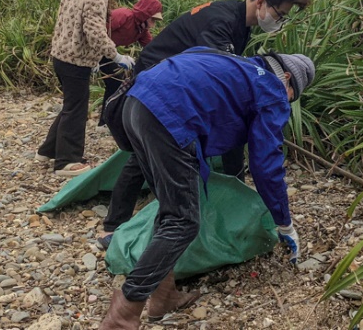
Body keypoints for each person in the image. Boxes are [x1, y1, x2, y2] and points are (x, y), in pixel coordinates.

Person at [99, 48, 315, 329]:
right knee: (184, 221)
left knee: (170, 209)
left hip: (136, 103)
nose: (288, 102)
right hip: (168, 115)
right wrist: (284, 222)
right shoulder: (271, 88)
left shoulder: (237, 66)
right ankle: (123, 314)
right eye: (292, 95)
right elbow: (266, 165)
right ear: (286, 78)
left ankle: (163, 296)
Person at [98, 0, 310, 248]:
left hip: (169, 87)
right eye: (280, 15)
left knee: (155, 155)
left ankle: (195, 209)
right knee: (144, 155)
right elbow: (215, 76)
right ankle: (117, 226)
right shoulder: (221, 22)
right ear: (261, 3)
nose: (279, 22)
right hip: (158, 82)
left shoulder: (238, 21)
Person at [38, 0, 134, 177]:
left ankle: (47, 150)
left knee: (71, 105)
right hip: (75, 62)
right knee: (76, 109)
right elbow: (95, 33)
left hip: (60, 57)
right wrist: (117, 56)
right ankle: (66, 162)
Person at [96, 0, 163, 125]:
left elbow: (152, 48)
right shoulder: (124, 15)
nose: (154, 24)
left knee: (115, 84)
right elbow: (99, 31)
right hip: (96, 49)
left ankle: (105, 122)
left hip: (108, 53)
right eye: (153, 19)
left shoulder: (141, 30)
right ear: (145, 15)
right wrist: (94, 57)